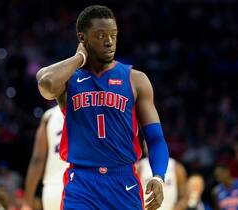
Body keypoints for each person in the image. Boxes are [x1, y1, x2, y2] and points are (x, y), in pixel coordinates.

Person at [36, 5, 169, 210]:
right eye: (100, 36)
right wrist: (79, 57)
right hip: (81, 182)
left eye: (113, 35)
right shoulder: (68, 79)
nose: (109, 41)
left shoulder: (136, 79)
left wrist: (158, 177)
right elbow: (46, 84)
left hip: (123, 180)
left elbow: (156, 138)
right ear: (83, 37)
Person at [23, 106, 69, 210]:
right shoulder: (86, 108)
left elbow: (37, 159)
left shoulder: (49, 115)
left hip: (52, 190)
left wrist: (27, 201)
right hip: (77, 185)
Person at [137, 141, 187, 210]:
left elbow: (184, 198)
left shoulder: (176, 167)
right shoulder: (139, 167)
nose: (149, 147)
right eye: (146, 145)